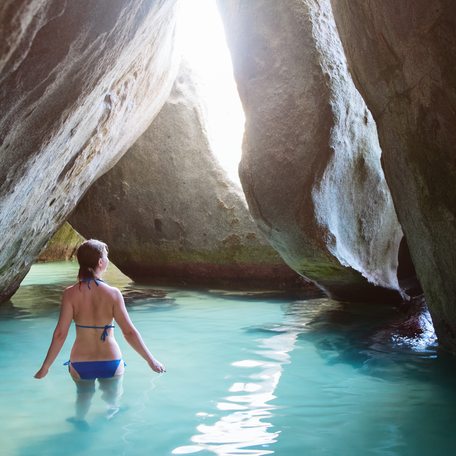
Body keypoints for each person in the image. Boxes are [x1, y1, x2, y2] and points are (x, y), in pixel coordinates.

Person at [34, 239, 165, 421]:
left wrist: (45, 367)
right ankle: (111, 417)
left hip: (81, 363)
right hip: (110, 361)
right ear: (101, 263)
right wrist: (151, 360)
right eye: (106, 257)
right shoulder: (113, 294)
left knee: (83, 399)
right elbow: (129, 333)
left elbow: (60, 334)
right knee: (113, 404)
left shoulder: (70, 294)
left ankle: (80, 421)